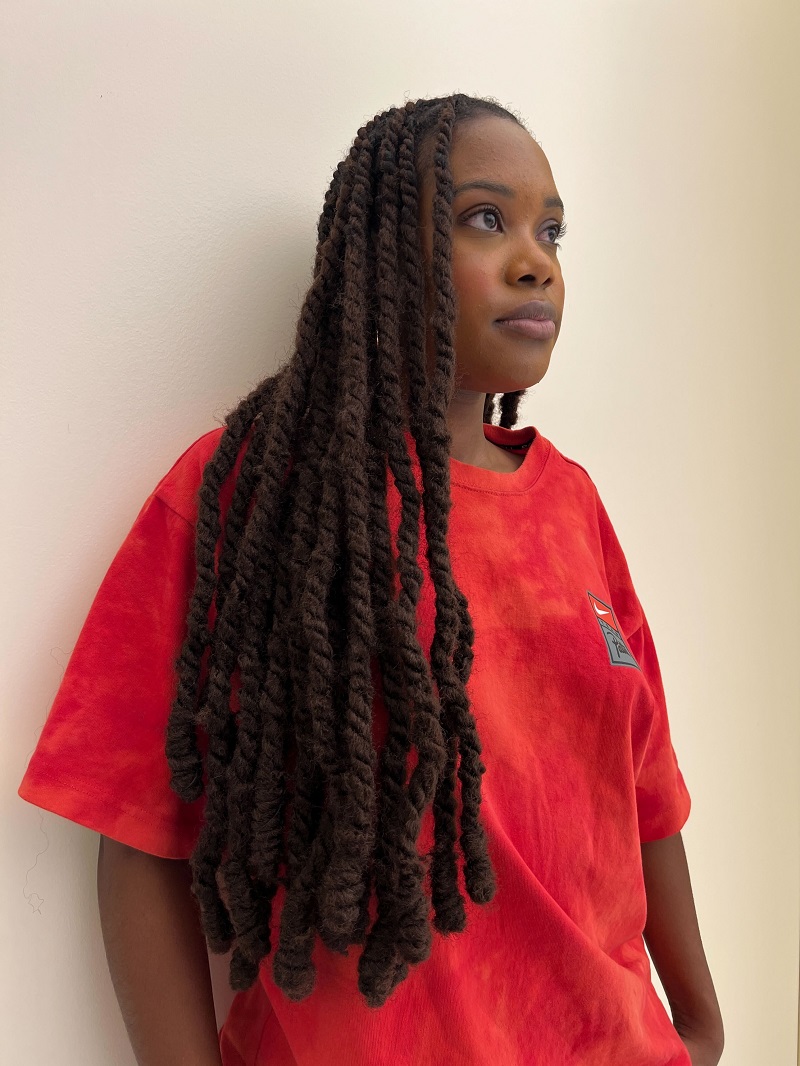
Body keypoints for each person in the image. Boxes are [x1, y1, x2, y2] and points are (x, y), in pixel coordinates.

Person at [17, 93, 724, 1065]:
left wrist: (701, 1023)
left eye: (551, 230)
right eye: (486, 218)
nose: (536, 261)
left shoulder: (572, 504)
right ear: (381, 253)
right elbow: (137, 828)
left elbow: (646, 795)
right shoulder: (249, 496)